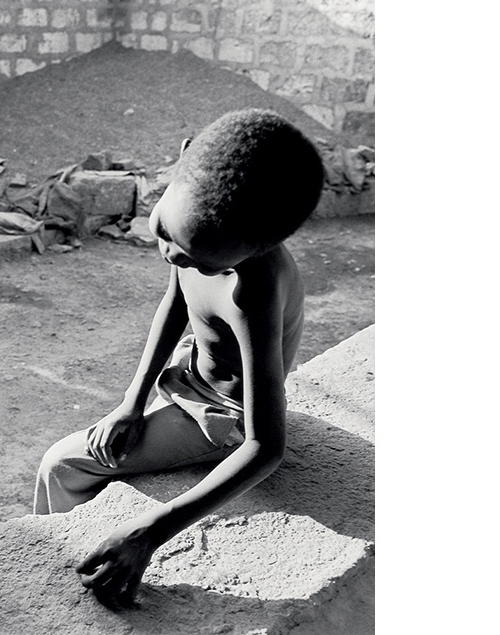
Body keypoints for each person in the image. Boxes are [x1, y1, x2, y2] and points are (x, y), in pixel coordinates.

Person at [34, 109, 324, 607]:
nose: (172, 256)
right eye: (165, 232)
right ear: (181, 159)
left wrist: (153, 529)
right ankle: (76, 546)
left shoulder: (252, 291)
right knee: (103, 443)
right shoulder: (207, 238)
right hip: (187, 378)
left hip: (221, 418)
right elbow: (176, 304)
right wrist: (132, 401)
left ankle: (59, 567)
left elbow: (265, 446)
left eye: (199, 262)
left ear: (251, 252)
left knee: (61, 464)